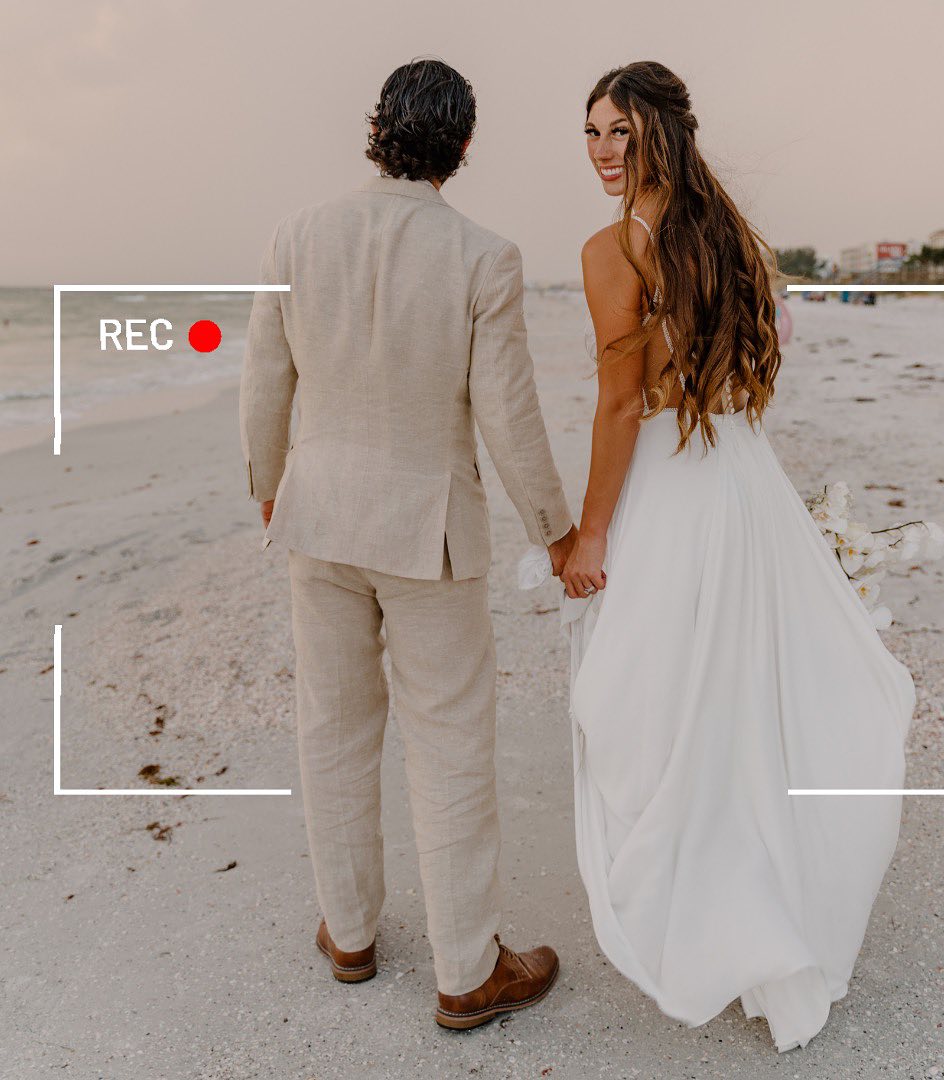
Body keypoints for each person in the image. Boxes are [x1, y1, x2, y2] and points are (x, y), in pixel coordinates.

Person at [558, 61, 916, 1053]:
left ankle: (729, 920)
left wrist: (591, 531)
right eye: (589, 133)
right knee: (741, 703)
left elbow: (622, 403)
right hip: (744, 481)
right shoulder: (730, 240)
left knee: (657, 706)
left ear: (661, 135)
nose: (601, 152)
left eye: (620, 133)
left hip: (678, 488)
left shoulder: (611, 248)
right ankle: (765, 913)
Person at [240, 58, 574, 1030]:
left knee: (333, 730)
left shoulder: (297, 236)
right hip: (427, 532)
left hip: (319, 518)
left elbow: (266, 378)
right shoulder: (483, 254)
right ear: (461, 146)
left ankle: (349, 933)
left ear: (379, 128)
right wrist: (553, 529)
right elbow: (508, 412)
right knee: (451, 745)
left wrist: (268, 488)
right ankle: (468, 974)